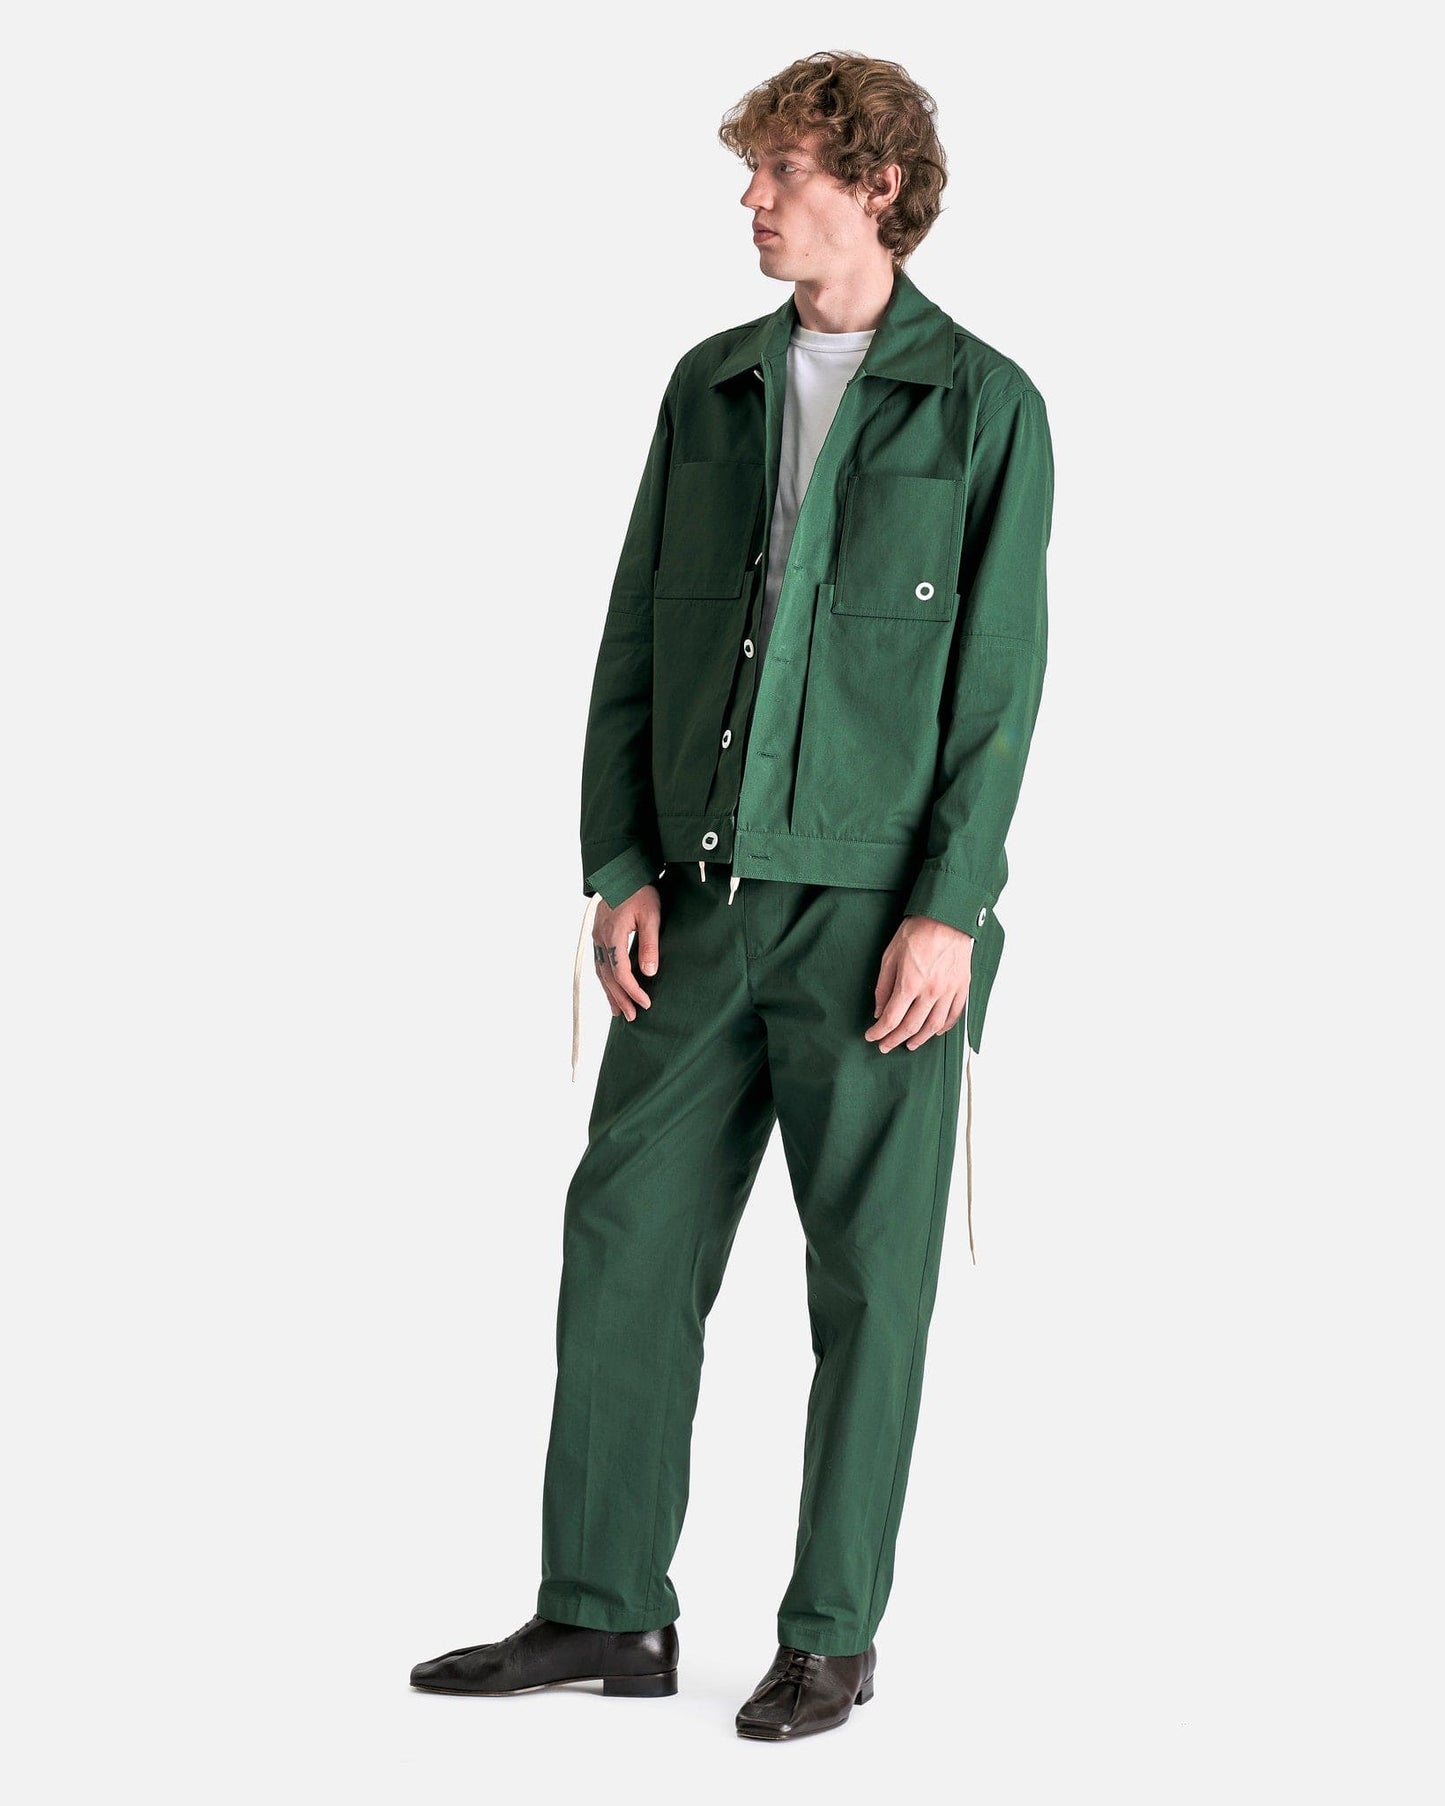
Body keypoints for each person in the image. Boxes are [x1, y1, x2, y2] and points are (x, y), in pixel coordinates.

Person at [410, 48, 1053, 1742]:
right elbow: (635, 632)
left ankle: (829, 1633)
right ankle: (601, 1608)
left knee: (869, 1286)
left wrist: (950, 907)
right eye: (752, 172)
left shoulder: (982, 404)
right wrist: (615, 859)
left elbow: (997, 682)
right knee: (622, 1239)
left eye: (783, 172)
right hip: (692, 903)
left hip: (876, 922)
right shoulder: (708, 385)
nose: (752, 201)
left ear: (879, 188)